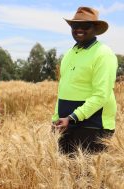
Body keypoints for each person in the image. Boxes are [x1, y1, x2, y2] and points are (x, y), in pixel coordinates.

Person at [52, 7, 118, 155]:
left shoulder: (104, 54)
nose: (79, 29)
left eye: (85, 26)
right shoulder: (69, 54)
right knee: (66, 175)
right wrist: (56, 118)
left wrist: (73, 117)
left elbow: (101, 95)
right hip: (66, 125)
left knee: (89, 176)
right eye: (75, 26)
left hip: (93, 126)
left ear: (95, 28)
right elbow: (63, 88)